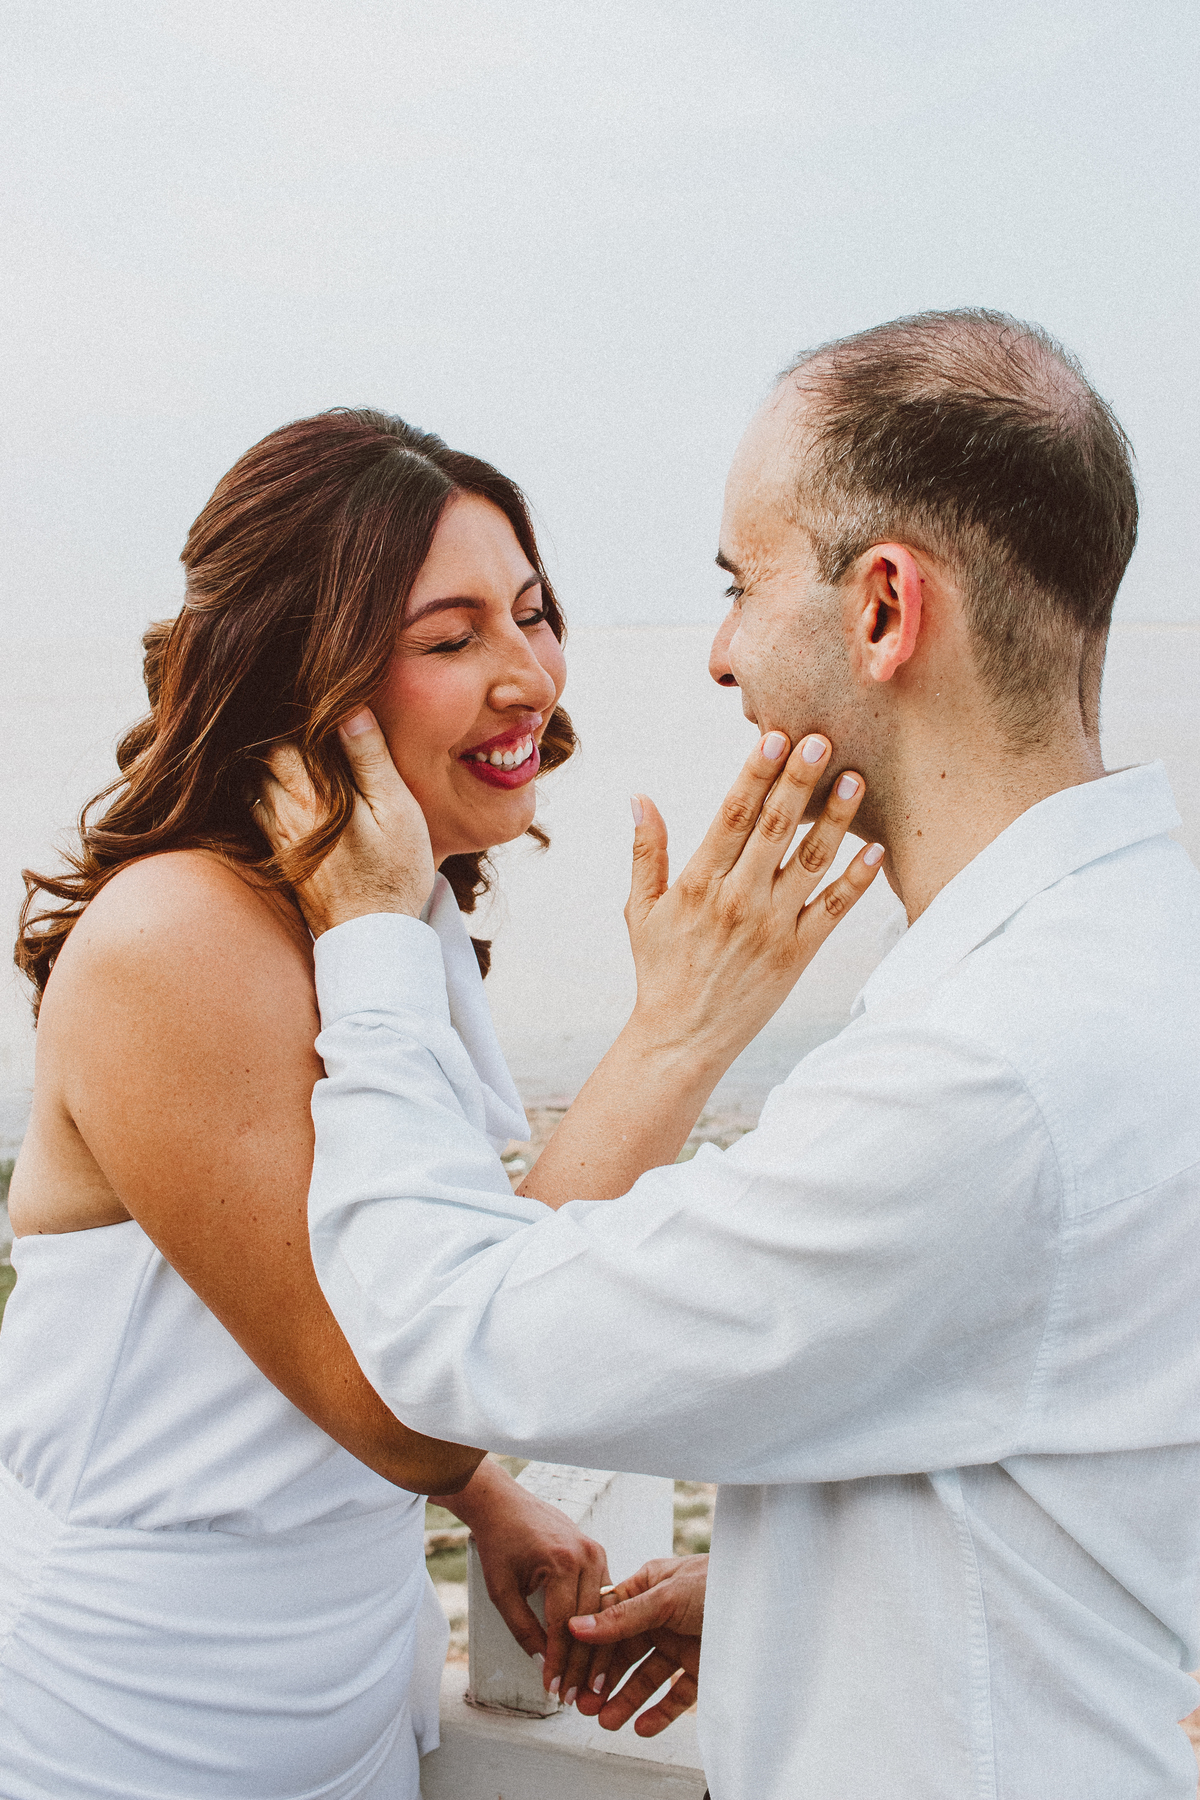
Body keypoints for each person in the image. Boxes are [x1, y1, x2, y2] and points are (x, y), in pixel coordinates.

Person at [259, 311, 1200, 1799]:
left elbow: (454, 1335)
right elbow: (1051, 1432)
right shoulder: (1135, 953)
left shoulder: (989, 1075)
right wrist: (792, 1600)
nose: (716, 654)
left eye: (738, 584)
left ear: (883, 609)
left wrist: (373, 939)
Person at [2, 408, 775, 1799]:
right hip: (141, 1726)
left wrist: (477, 1492)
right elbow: (412, 1396)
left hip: (342, 1681)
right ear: (307, 675)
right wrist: (677, 1030)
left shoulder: (376, 916)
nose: (528, 676)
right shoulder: (178, 936)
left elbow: (356, 1281)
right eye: (450, 637)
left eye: (531, 615)